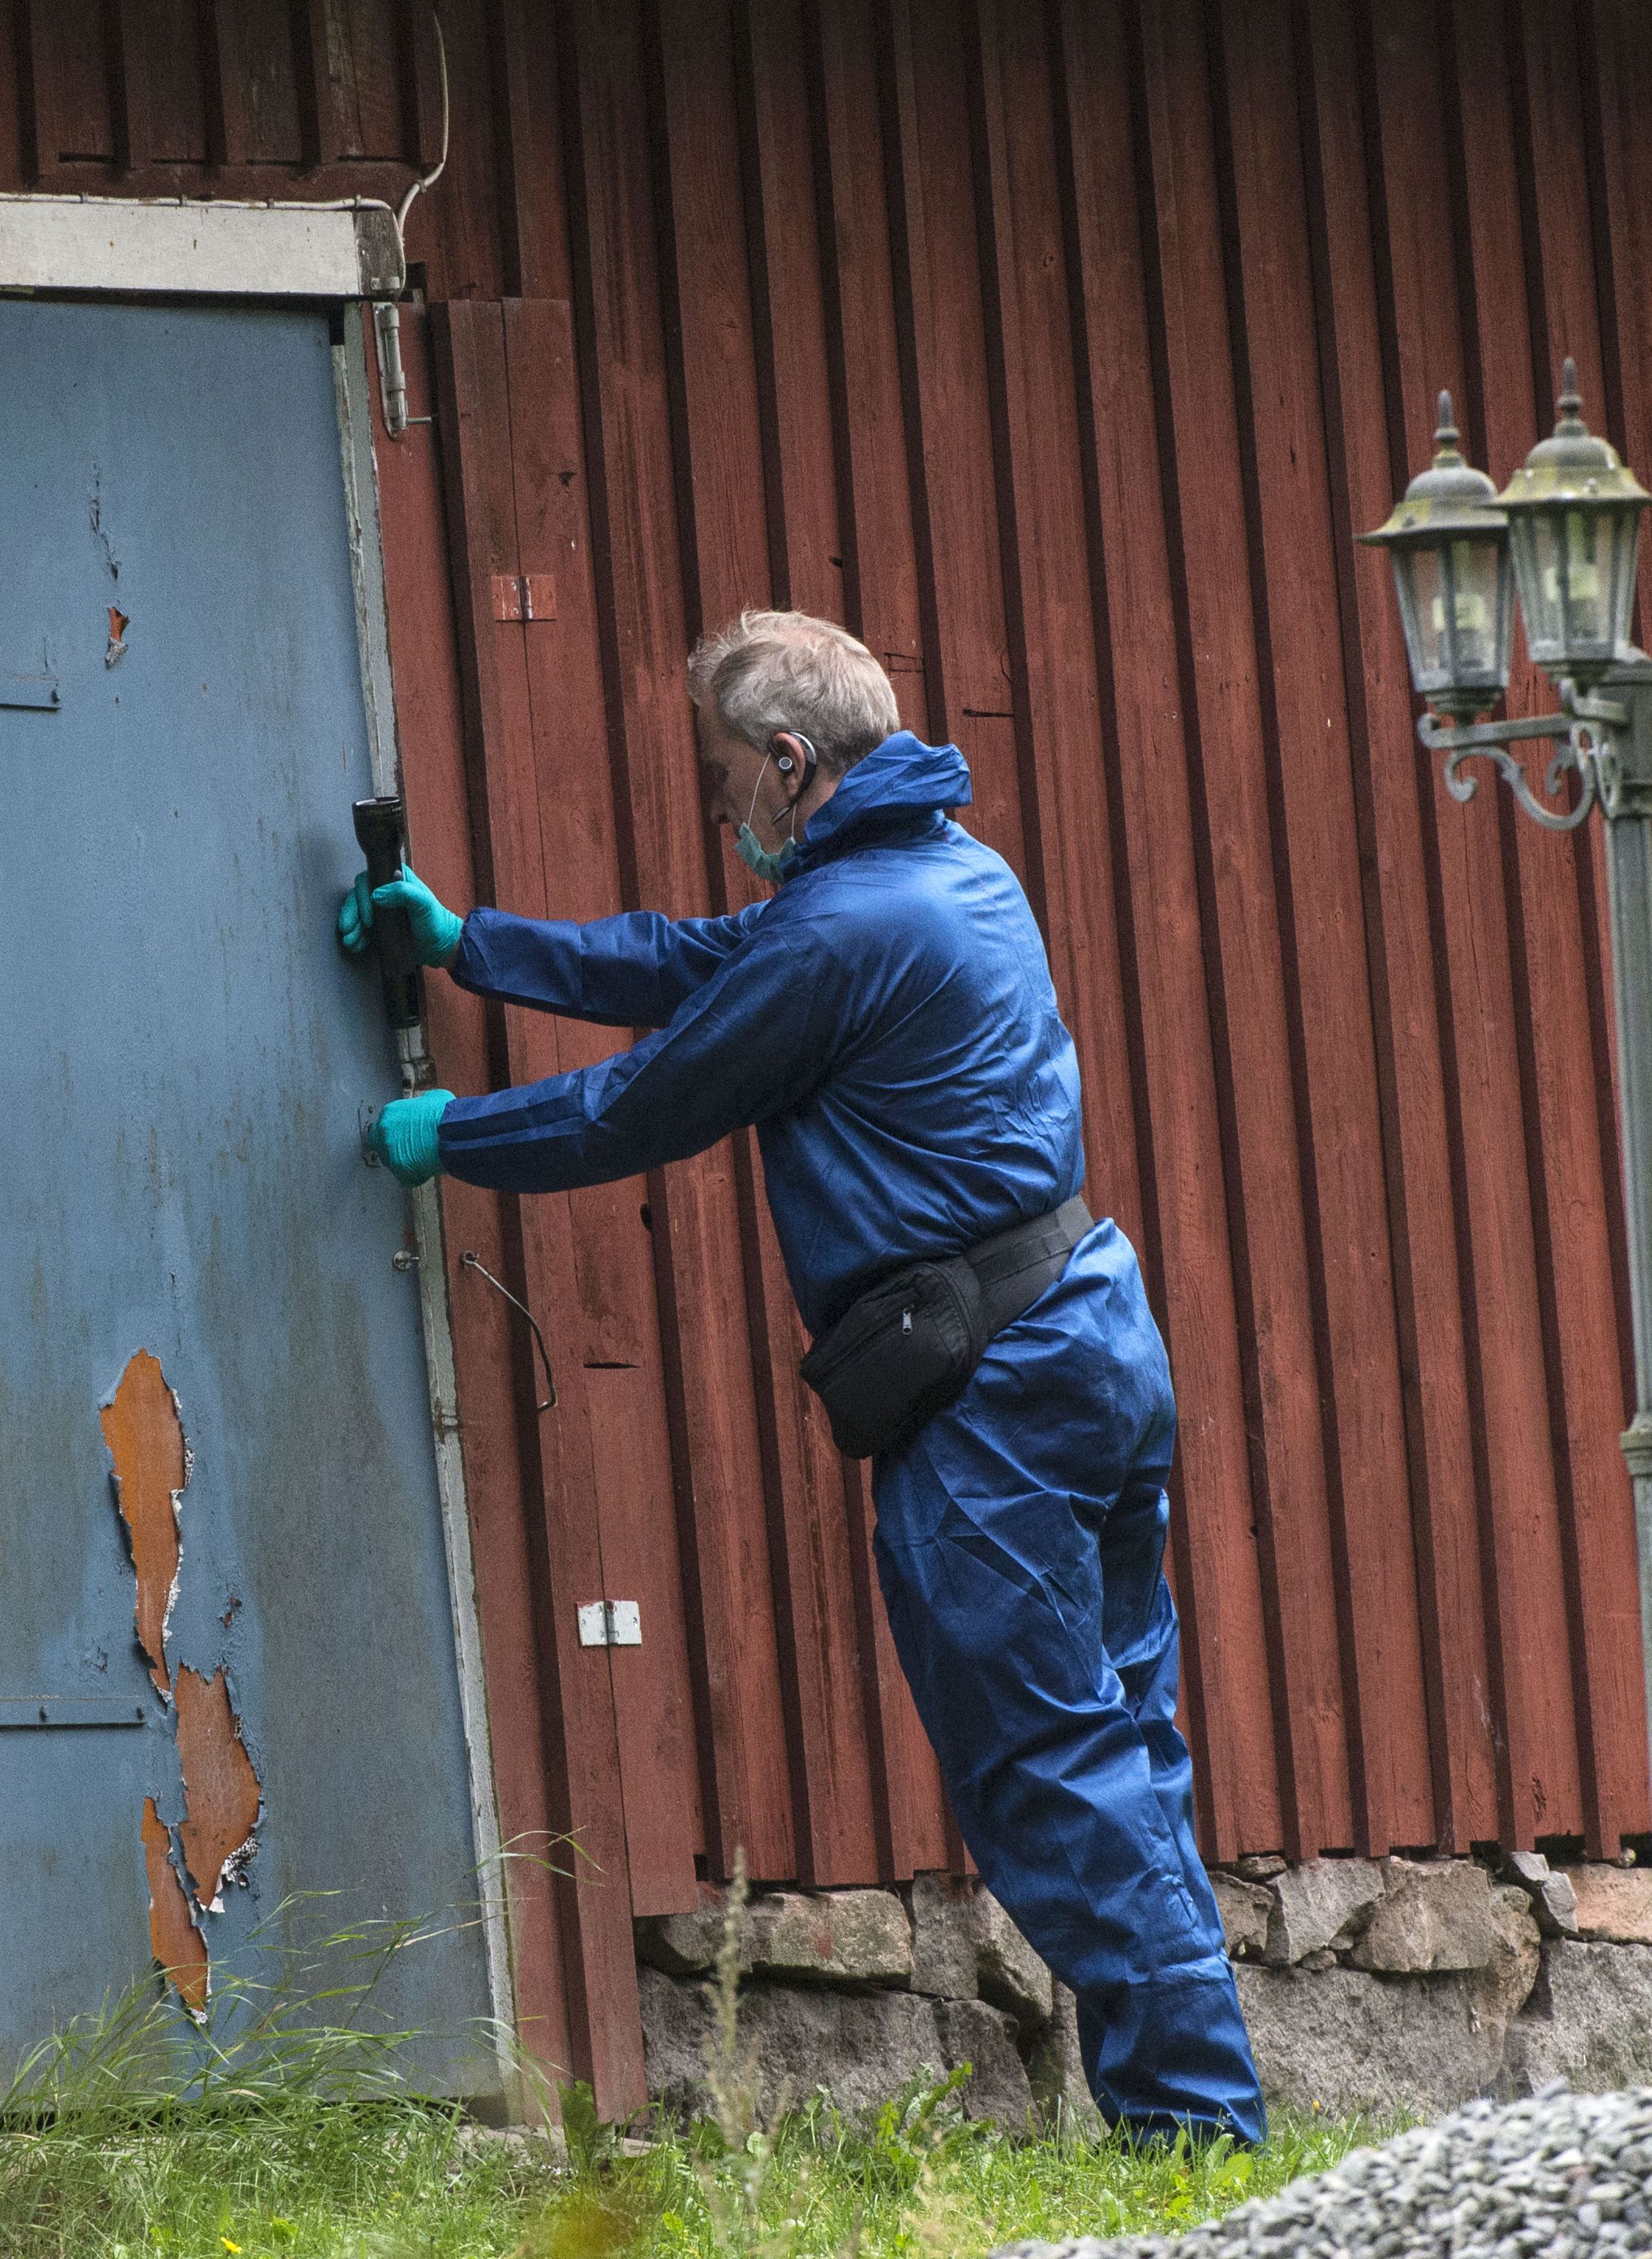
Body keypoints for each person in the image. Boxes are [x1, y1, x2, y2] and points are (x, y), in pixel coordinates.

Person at [337, 609, 1264, 2144]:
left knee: (1050, 1760)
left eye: (721, 784)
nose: (718, 818)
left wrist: (450, 1137)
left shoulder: (844, 929)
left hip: (993, 1394)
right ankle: (1196, 2112)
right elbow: (700, 962)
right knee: (1122, 1739)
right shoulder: (948, 877)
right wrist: (471, 947)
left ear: (784, 763)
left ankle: (1196, 2130)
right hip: (1087, 1335)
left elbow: (649, 1100)